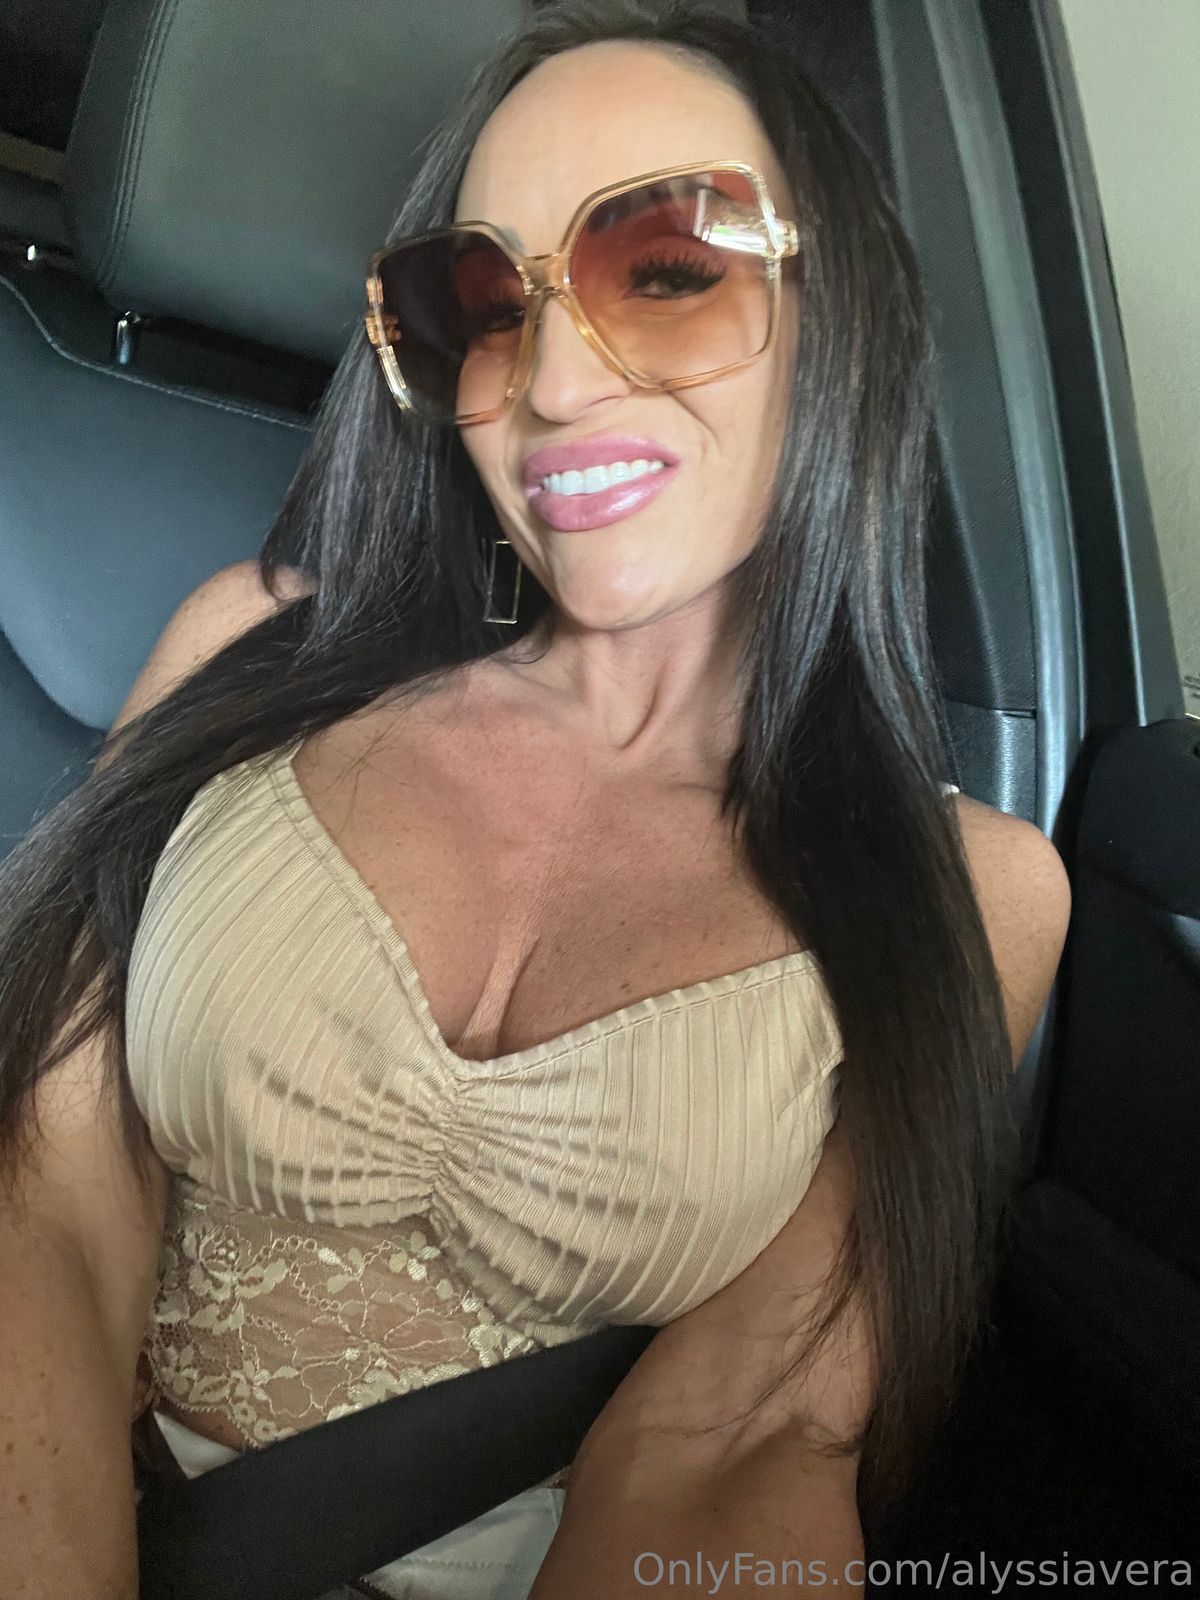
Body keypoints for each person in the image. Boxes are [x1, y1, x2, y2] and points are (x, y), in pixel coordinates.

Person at [0, 3, 1072, 1598]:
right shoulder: (246, 656)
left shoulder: (975, 893)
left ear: (838, 314)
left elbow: (747, 1436)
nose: (553, 384)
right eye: (484, 305)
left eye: (669, 269)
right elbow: (46, 1196)